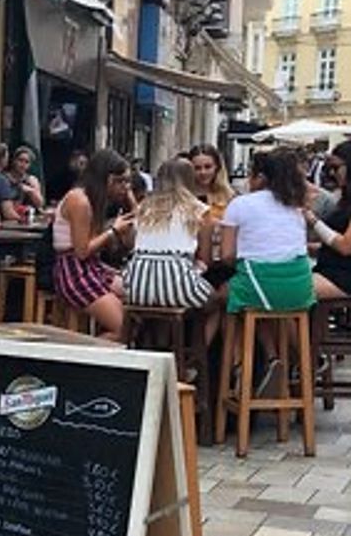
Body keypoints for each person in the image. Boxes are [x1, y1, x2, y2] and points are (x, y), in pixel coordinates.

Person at [220, 147, 315, 389]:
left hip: (261, 284)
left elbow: (227, 255)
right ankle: (289, 362)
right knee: (257, 300)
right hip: (301, 288)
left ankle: (239, 369)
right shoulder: (296, 207)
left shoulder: (240, 204)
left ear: (261, 176)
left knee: (224, 300)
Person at [123, 158, 217, 341]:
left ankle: (161, 349)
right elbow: (205, 258)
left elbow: (132, 244)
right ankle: (196, 356)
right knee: (216, 303)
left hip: (137, 285)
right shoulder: (199, 210)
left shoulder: (143, 209)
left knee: (160, 307)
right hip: (177, 280)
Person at [52, 149, 135, 340]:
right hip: (74, 272)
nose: (124, 187)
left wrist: (130, 198)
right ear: (104, 178)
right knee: (124, 329)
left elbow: (136, 215)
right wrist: (113, 231)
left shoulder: (95, 199)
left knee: (137, 298)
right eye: (119, 181)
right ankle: (84, 360)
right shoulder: (80, 201)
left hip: (92, 268)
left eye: (127, 182)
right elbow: (82, 252)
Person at [307, 139, 351, 299]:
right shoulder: (343, 199)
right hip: (331, 270)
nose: (331, 173)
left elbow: (346, 246)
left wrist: (313, 220)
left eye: (336, 168)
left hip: (342, 277)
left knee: (289, 291)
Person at [7, 145, 45, 210]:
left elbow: (40, 203)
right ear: (14, 160)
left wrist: (31, 191)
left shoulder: (31, 179)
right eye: (20, 160)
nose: (23, 164)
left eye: (26, 162)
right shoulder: (5, 178)